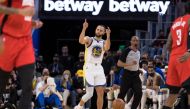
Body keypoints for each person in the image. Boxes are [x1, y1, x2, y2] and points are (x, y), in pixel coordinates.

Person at [0, 0, 43, 109]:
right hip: (8, 38)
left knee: (28, 86)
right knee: (2, 83)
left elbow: (26, 16)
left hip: (25, 41)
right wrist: (20, 11)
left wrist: (31, 23)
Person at [74, 19, 111, 109]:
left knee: (101, 93)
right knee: (89, 94)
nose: (98, 31)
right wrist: (84, 28)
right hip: (89, 67)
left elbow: (107, 48)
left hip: (99, 68)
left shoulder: (103, 42)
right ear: (95, 30)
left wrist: (108, 35)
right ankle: (79, 106)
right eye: (97, 29)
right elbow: (81, 40)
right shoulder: (89, 39)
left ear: (103, 32)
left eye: (101, 30)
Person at [163, 2, 190, 109]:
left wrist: (174, 54)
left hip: (174, 58)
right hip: (185, 57)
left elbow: (168, 43)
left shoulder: (175, 22)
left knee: (173, 94)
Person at [117, 36, 142, 109]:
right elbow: (119, 63)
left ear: (138, 42)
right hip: (127, 75)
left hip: (135, 75)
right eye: (134, 40)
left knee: (139, 93)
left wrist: (138, 69)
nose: (135, 42)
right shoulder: (126, 50)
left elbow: (136, 64)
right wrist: (130, 64)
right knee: (121, 94)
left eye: (137, 41)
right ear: (131, 42)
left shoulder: (138, 52)